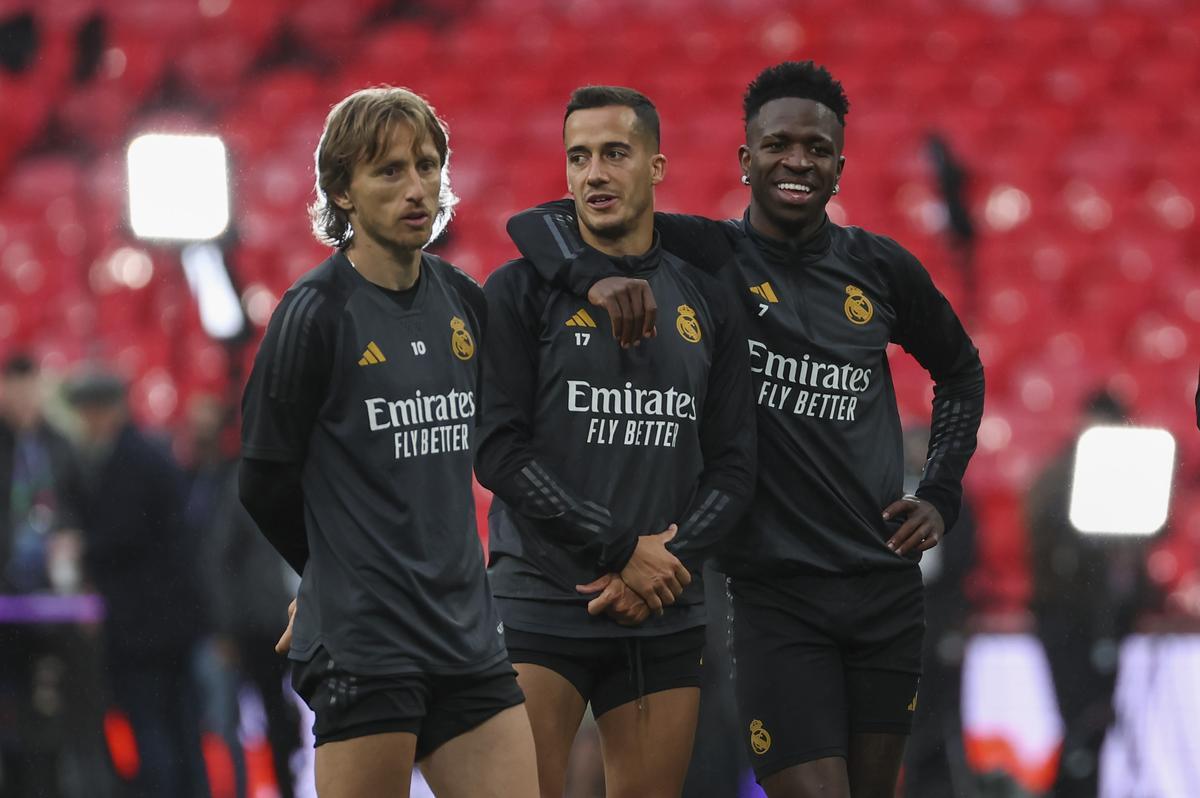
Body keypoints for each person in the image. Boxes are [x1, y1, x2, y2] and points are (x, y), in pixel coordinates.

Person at [506, 61, 985, 798]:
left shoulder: (880, 268)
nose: (798, 160)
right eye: (778, 144)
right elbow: (538, 221)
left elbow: (960, 370)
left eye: (817, 150)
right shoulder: (706, 255)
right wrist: (586, 278)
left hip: (884, 590)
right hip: (773, 592)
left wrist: (943, 490)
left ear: (839, 166)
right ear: (745, 159)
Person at [238, 86, 538, 798]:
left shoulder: (465, 300)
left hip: (466, 634)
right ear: (341, 191)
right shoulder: (313, 315)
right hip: (366, 644)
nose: (417, 188)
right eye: (389, 171)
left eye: (428, 166)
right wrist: (330, 573)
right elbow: (262, 481)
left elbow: (512, 445)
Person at [474, 86, 756, 798]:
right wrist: (619, 550)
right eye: (578, 157)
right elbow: (499, 451)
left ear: (656, 166)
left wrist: (669, 559)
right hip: (539, 600)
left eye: (614, 153)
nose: (594, 173)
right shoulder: (517, 290)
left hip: (664, 606)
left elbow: (734, 466)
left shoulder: (709, 295)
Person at [64, 366, 209, 798]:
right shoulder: (148, 453)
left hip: (145, 627)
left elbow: (123, 535)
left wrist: (80, 549)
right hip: (172, 623)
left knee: (154, 731)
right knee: (182, 731)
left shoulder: (129, 461)